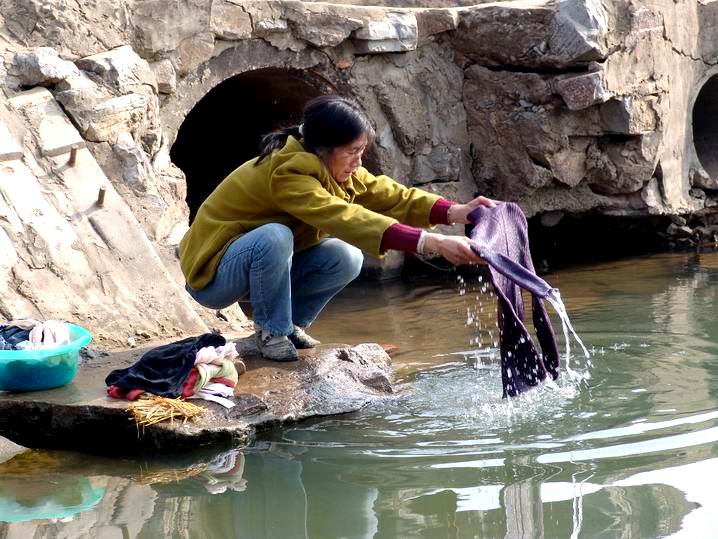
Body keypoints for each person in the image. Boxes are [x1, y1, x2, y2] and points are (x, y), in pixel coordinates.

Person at [179, 95, 495, 362]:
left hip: (257, 266)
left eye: (361, 152)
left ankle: (287, 327)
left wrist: (455, 212)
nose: (358, 162)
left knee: (346, 256)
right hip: (214, 275)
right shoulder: (288, 172)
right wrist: (433, 244)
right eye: (352, 153)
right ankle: (270, 333)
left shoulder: (331, 166)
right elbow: (344, 217)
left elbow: (388, 193)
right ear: (322, 148)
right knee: (275, 235)